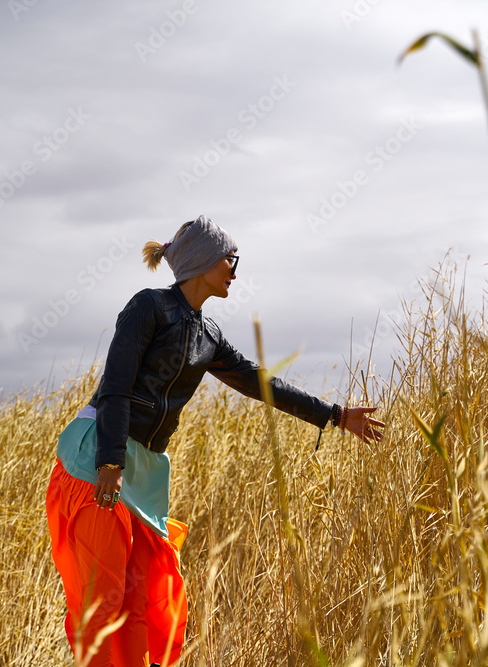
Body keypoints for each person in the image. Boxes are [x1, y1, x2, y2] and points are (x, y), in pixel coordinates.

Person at [45, 215, 385, 666]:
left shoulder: (208, 336)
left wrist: (336, 416)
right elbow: (116, 385)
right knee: (103, 601)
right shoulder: (148, 307)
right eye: (231, 259)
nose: (235, 271)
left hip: (144, 470)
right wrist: (110, 461)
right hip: (97, 461)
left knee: (144, 598)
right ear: (205, 261)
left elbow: (261, 384)